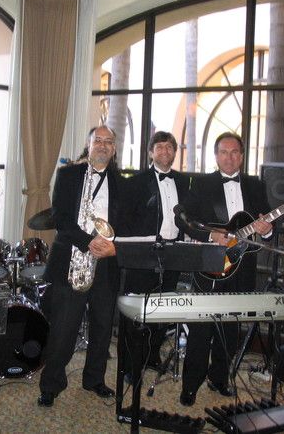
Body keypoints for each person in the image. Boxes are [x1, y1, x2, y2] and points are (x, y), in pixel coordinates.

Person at [177, 132, 273, 407]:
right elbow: (184, 219)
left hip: (243, 266)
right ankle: (190, 385)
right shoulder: (202, 183)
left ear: (241, 156)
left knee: (231, 327)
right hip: (211, 265)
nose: (229, 157)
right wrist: (210, 235)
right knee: (202, 327)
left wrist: (267, 229)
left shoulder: (255, 185)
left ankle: (218, 378)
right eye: (223, 152)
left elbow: (267, 224)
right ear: (216, 156)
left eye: (234, 152)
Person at [37, 126, 124, 407]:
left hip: (107, 263)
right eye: (98, 140)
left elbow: (127, 223)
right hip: (71, 259)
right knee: (63, 328)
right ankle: (51, 384)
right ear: (89, 144)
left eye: (108, 141)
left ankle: (94, 379)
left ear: (114, 148)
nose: (103, 145)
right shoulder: (68, 175)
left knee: (102, 327)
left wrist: (112, 246)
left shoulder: (122, 182)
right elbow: (60, 218)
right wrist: (89, 242)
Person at [122, 131, 190, 376]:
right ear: (151, 152)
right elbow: (126, 220)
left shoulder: (183, 181)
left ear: (175, 152)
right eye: (159, 147)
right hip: (145, 253)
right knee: (137, 311)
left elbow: (188, 217)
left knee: (162, 308)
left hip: (173, 253)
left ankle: (152, 356)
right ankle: (131, 366)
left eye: (169, 147)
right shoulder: (136, 181)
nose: (164, 151)